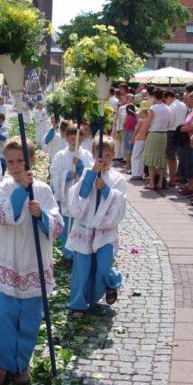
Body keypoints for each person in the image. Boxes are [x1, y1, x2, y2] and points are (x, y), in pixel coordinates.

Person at [0, 136, 63, 385]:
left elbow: (56, 226)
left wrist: (41, 215)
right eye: (10, 161)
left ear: (31, 161)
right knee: (1, 315)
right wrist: (22, 191)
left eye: (21, 161)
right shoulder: (3, 187)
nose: (15, 166)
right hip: (6, 261)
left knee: (28, 318)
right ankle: (2, 364)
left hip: (33, 262)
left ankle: (21, 363)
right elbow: (2, 215)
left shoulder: (43, 190)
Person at [66, 136, 127, 317]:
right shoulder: (87, 173)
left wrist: (106, 190)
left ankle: (111, 281)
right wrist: (93, 174)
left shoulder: (117, 179)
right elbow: (80, 196)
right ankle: (79, 303)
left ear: (113, 155)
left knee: (102, 266)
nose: (105, 160)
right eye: (101, 156)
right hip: (85, 227)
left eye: (109, 156)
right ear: (93, 154)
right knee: (81, 268)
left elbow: (119, 202)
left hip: (104, 231)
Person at [50, 125, 94, 260]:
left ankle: (80, 252)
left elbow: (91, 172)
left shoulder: (86, 155)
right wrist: (68, 175)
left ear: (83, 139)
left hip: (81, 198)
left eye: (78, 139)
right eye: (72, 139)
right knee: (67, 225)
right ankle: (68, 253)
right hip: (67, 195)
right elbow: (54, 173)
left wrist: (81, 168)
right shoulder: (60, 155)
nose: (75, 142)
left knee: (80, 225)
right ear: (66, 138)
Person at [142, 88, 172, 190]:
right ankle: (159, 182)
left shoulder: (153, 108)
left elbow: (148, 122)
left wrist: (143, 133)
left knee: (151, 159)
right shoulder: (168, 108)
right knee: (161, 159)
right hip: (164, 134)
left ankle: (151, 182)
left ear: (154, 97)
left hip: (154, 133)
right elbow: (169, 123)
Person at [178, 89, 193, 197]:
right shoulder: (191, 110)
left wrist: (184, 129)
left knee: (192, 164)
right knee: (188, 163)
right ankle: (190, 185)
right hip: (187, 140)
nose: (190, 100)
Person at [165, 89, 187, 186]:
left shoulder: (171, 107)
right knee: (180, 156)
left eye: (165, 99)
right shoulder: (183, 105)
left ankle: (172, 178)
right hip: (182, 131)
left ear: (169, 97)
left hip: (172, 131)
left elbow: (170, 121)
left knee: (171, 157)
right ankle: (178, 176)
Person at [130, 106, 150, 181]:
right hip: (145, 139)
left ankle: (135, 173)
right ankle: (140, 173)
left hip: (139, 139)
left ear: (144, 113)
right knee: (141, 157)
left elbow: (136, 130)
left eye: (141, 113)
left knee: (134, 157)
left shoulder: (141, 120)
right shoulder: (148, 121)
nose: (140, 114)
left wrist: (132, 138)